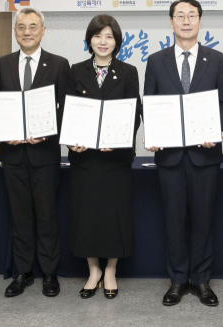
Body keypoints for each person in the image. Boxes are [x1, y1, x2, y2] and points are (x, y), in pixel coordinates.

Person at [144, 0, 223, 306]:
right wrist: (153, 132)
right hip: (169, 156)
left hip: (204, 154)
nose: (186, 21)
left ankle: (201, 280)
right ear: (170, 22)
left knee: (203, 219)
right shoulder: (156, 60)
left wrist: (213, 129)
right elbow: (149, 103)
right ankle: (177, 280)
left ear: (199, 20)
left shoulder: (217, 59)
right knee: (173, 220)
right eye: (180, 15)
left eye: (192, 15)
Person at [0, 7, 70, 297]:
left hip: (45, 154)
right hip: (13, 155)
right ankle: (22, 272)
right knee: (20, 216)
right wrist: (4, 133)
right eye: (21, 27)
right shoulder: (2, 64)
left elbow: (66, 108)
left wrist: (48, 131)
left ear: (43, 31)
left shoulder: (59, 64)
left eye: (33, 26)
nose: (27, 32)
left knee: (47, 216)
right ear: (15, 31)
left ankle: (49, 273)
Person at [66, 15, 141, 299]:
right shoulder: (76, 70)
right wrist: (72, 140)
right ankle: (93, 270)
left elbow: (134, 112)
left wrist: (119, 141)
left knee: (114, 216)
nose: (103, 41)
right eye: (98, 36)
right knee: (86, 215)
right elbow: (68, 111)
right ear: (89, 40)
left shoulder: (128, 71)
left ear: (117, 41)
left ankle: (110, 270)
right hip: (85, 159)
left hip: (115, 160)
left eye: (109, 36)